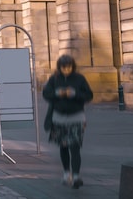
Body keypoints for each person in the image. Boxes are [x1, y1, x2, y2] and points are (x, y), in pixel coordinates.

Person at [42, 55, 93, 189]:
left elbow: (89, 95)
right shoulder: (54, 79)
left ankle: (76, 176)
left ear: (72, 66)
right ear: (59, 67)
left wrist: (75, 94)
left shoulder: (80, 79)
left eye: (69, 67)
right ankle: (66, 173)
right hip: (58, 118)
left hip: (76, 117)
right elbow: (46, 94)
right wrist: (57, 93)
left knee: (75, 146)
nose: (66, 70)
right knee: (63, 146)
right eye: (63, 67)